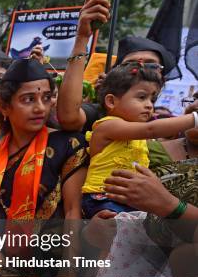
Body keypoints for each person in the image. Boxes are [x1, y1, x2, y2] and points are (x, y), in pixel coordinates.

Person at [0, 59, 88, 277]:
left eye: (47, 98)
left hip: (51, 273)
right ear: (5, 106)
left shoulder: (68, 145)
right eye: (28, 99)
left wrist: (68, 275)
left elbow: (73, 211)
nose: (40, 107)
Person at [81, 63, 197, 219]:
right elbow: (152, 129)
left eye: (152, 99)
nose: (149, 105)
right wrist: (194, 119)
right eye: (142, 97)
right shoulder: (108, 126)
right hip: (104, 198)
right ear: (111, 101)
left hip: (129, 200)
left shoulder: (139, 137)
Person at [57, 0, 176, 133]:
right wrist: (82, 38)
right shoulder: (100, 115)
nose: (140, 70)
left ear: (162, 80)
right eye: (130, 65)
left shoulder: (168, 127)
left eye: (151, 66)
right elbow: (69, 118)